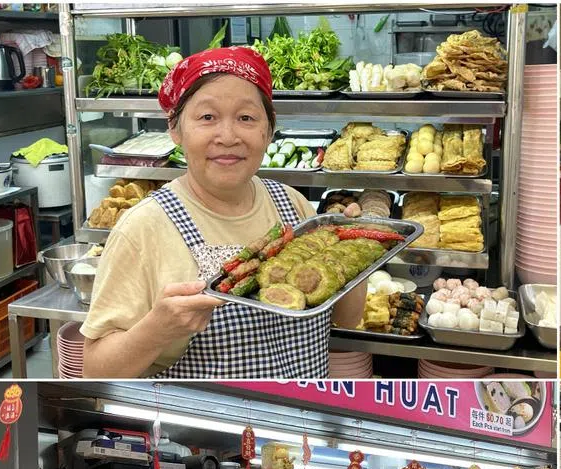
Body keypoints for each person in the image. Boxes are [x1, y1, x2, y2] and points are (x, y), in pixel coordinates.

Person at [81, 46, 361, 378]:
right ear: (175, 129)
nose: (227, 137)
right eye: (207, 117)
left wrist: (351, 253)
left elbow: (347, 317)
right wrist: (156, 330)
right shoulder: (143, 228)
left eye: (246, 118)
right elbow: (95, 371)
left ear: (269, 130)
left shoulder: (293, 206)